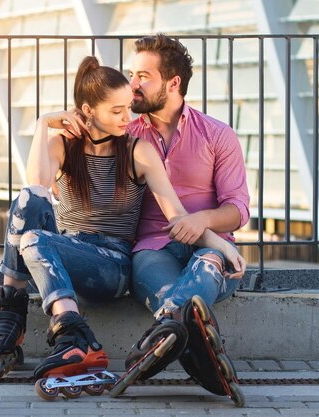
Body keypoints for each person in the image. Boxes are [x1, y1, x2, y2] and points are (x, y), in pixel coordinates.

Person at [0, 56, 245, 384]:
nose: (128, 117)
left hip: (111, 265)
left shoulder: (138, 150)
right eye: (117, 111)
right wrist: (42, 124)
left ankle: (71, 334)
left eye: (127, 108)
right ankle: (16, 313)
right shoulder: (63, 145)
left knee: (34, 240)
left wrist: (218, 242)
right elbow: (35, 186)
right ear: (89, 110)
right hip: (67, 248)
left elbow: (175, 214)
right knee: (28, 200)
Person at [124, 34, 251, 394]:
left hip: (212, 252)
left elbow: (238, 209)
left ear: (173, 82)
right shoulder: (126, 137)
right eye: (131, 74)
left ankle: (152, 346)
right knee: (185, 301)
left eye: (143, 76)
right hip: (152, 250)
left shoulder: (218, 135)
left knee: (208, 262)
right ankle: (201, 356)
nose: (132, 84)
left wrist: (203, 221)